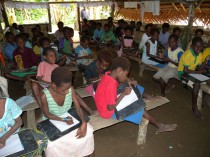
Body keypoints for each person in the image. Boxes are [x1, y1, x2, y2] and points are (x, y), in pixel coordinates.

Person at [95, 57, 177, 132]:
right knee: (138, 107)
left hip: (107, 102)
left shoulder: (109, 74)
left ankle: (149, 97)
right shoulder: (110, 85)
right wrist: (123, 94)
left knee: (132, 85)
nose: (126, 76)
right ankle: (160, 126)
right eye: (126, 74)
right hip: (108, 111)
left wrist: (128, 80)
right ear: (119, 70)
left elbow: (120, 81)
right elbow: (110, 107)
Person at [40, 67, 94, 157]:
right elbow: (47, 114)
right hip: (52, 121)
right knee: (52, 144)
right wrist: (63, 119)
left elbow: (77, 106)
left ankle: (86, 153)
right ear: (53, 86)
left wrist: (83, 122)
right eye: (64, 90)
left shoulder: (70, 89)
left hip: (68, 118)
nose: (66, 92)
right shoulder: (44, 96)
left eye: (68, 88)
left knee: (88, 131)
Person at [32, 47, 93, 115]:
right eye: (51, 56)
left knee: (73, 92)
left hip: (57, 87)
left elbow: (61, 80)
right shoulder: (42, 64)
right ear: (44, 57)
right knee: (34, 85)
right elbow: (39, 80)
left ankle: (89, 110)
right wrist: (50, 84)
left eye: (55, 56)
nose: (54, 57)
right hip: (45, 87)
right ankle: (43, 111)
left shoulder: (56, 66)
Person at [178, 37, 210, 118]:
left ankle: (205, 99)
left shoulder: (199, 54)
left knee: (208, 80)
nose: (199, 49)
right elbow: (185, 71)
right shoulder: (187, 54)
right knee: (196, 85)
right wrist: (199, 72)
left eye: (201, 47)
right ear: (192, 46)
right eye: (197, 46)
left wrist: (205, 61)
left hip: (192, 73)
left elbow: (199, 68)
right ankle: (194, 107)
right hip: (182, 74)